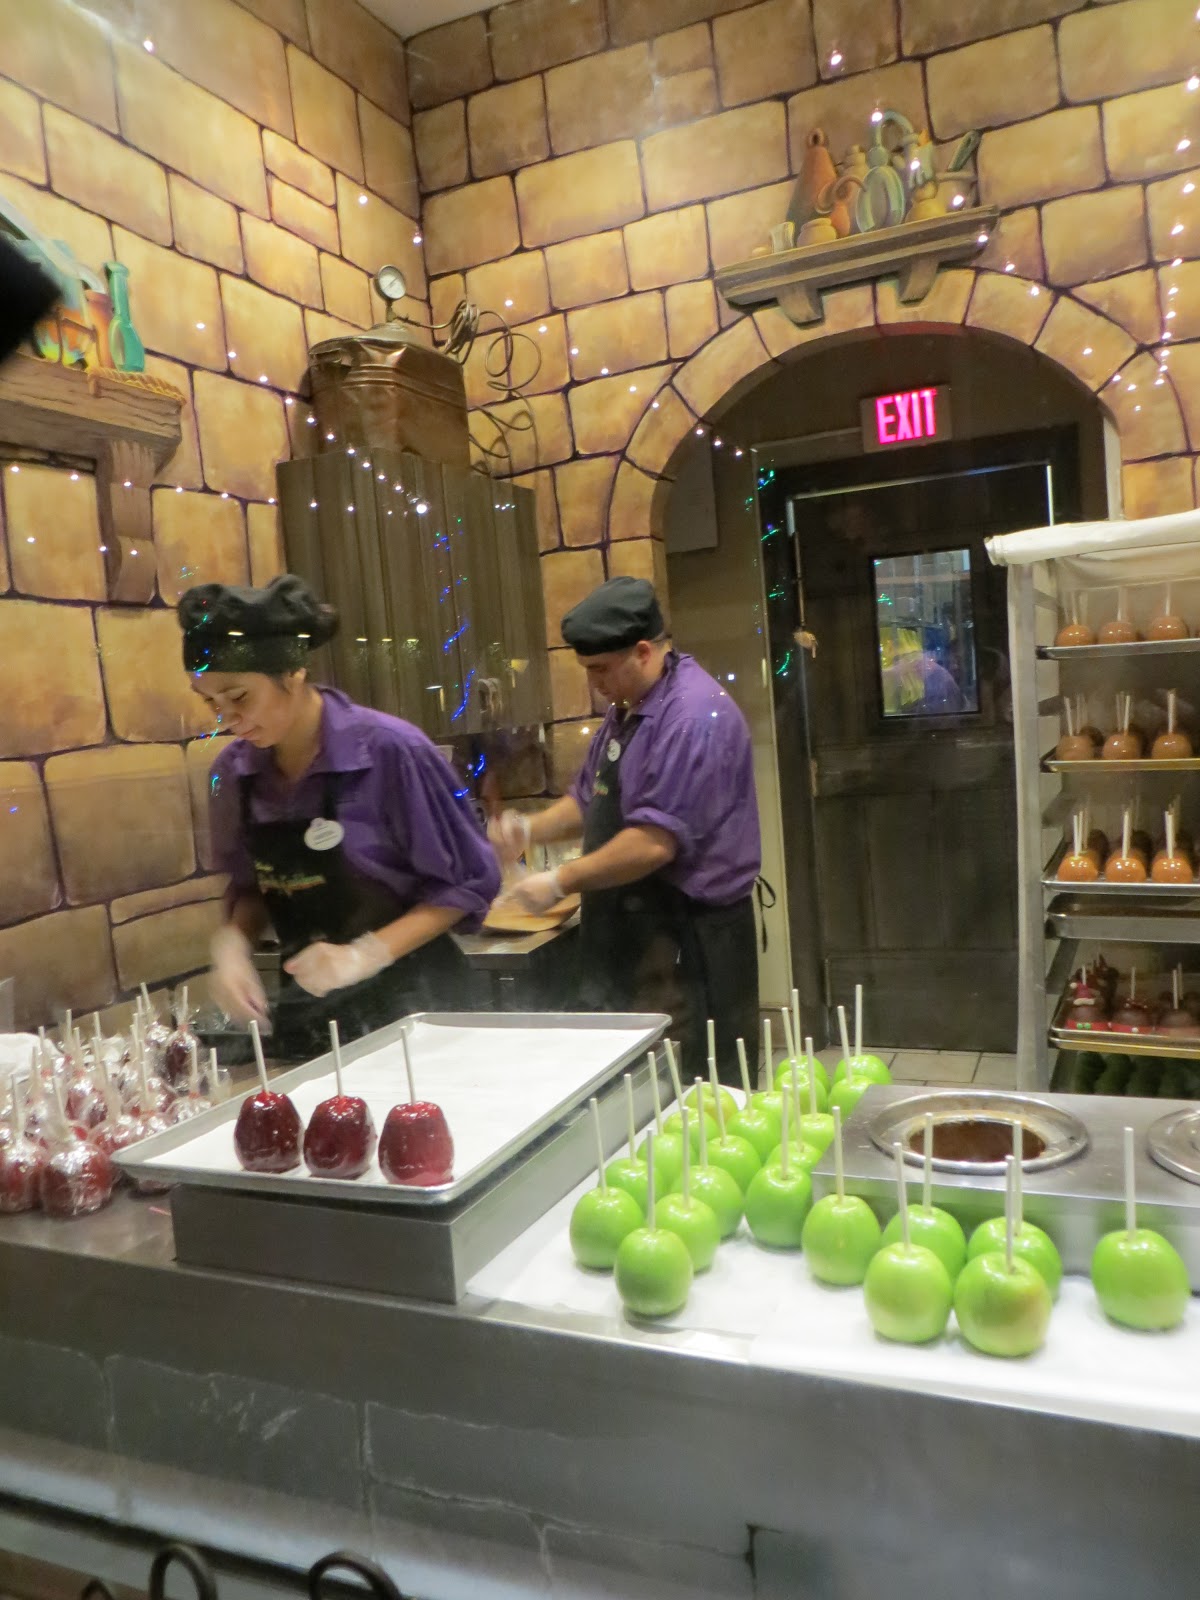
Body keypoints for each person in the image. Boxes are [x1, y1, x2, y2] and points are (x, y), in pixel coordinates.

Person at [180, 576, 498, 1061]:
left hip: (421, 1014)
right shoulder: (233, 773)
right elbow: (250, 886)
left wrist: (364, 955)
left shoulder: (393, 751)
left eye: (239, 697)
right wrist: (232, 945)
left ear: (293, 672)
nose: (226, 719)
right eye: (209, 702)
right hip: (311, 1021)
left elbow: (469, 883)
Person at [491, 576, 761, 1087]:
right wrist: (528, 829)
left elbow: (653, 843)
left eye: (600, 669)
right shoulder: (630, 710)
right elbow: (590, 798)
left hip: (689, 939)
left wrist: (559, 881)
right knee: (640, 1088)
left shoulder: (691, 717)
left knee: (698, 1092)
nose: (594, 683)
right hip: (634, 932)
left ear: (642, 651)